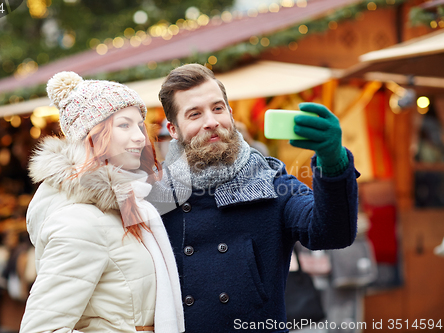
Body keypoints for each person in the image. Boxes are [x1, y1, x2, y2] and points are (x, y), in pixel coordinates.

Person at [146, 64, 359, 333]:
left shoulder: (271, 182)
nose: (211, 121)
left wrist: (333, 161)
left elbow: (334, 234)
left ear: (231, 114)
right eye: (195, 114)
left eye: (218, 108)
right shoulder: (154, 196)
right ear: (173, 129)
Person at [20, 72, 184, 333]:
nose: (140, 137)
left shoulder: (124, 205)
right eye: (124, 125)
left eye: (140, 125)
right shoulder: (80, 222)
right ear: (92, 135)